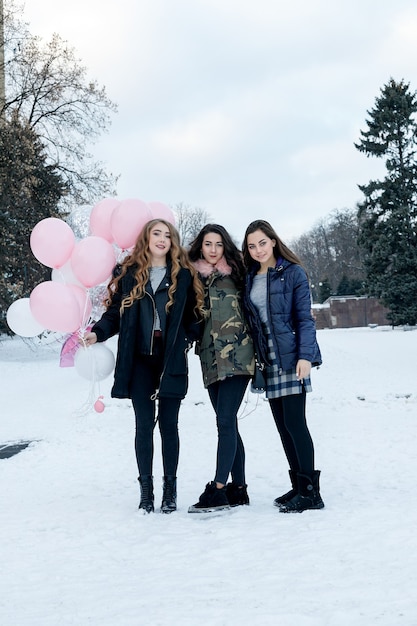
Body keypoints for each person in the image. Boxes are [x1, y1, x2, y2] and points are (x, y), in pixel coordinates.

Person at [82, 219, 204, 514]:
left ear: (173, 241)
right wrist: (98, 332)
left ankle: (170, 491)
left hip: (171, 358)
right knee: (143, 426)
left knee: (170, 426)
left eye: (167, 235)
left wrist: (188, 337)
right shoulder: (129, 274)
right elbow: (115, 314)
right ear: (146, 239)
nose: (162, 239)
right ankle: (146, 492)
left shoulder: (184, 275)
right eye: (156, 234)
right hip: (139, 360)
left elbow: (195, 316)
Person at [242, 220, 324, 513]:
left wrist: (306, 356)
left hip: (291, 357)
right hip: (268, 359)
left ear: (273, 241)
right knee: (282, 427)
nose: (258, 250)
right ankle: (299, 487)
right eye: (252, 246)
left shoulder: (292, 272)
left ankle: (311, 493)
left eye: (262, 243)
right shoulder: (250, 277)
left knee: (295, 423)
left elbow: (304, 319)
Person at [187, 224, 255, 513]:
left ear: (224, 246)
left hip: (238, 356)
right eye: (207, 244)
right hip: (210, 358)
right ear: (200, 247)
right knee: (229, 423)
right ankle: (238, 489)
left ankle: (217, 488)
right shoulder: (194, 279)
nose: (213, 250)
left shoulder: (238, 274)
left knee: (225, 421)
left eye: (218, 244)